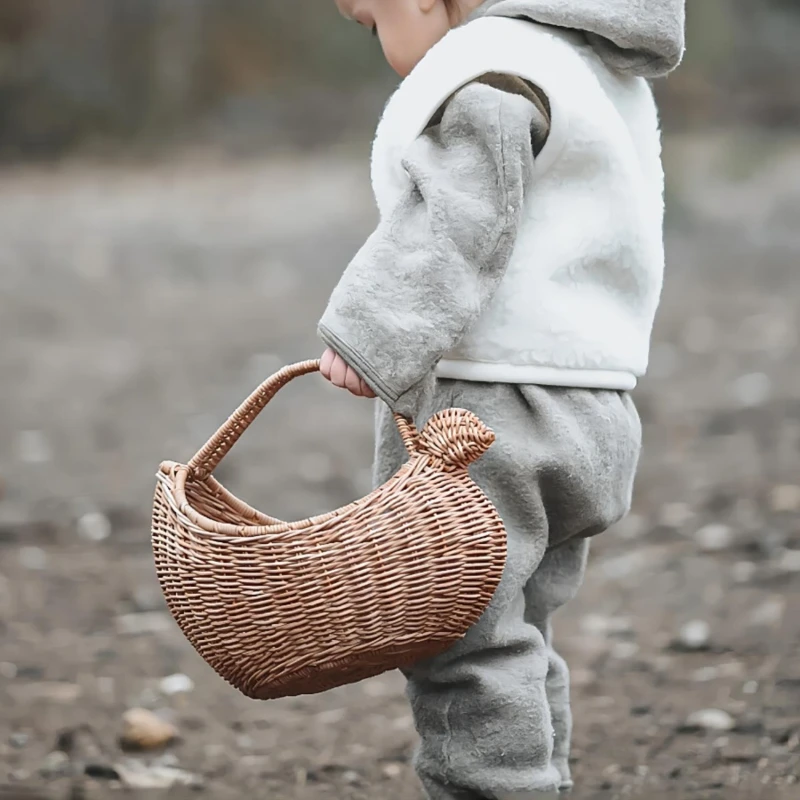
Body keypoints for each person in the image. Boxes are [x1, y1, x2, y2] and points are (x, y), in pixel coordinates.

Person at [318, 1, 686, 797]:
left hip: (491, 416)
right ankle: (536, 781)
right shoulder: (598, 70)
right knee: (516, 630)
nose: (377, 42)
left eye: (367, 20)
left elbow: (459, 216)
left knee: (457, 640)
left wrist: (371, 332)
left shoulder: (488, 69)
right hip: (594, 409)